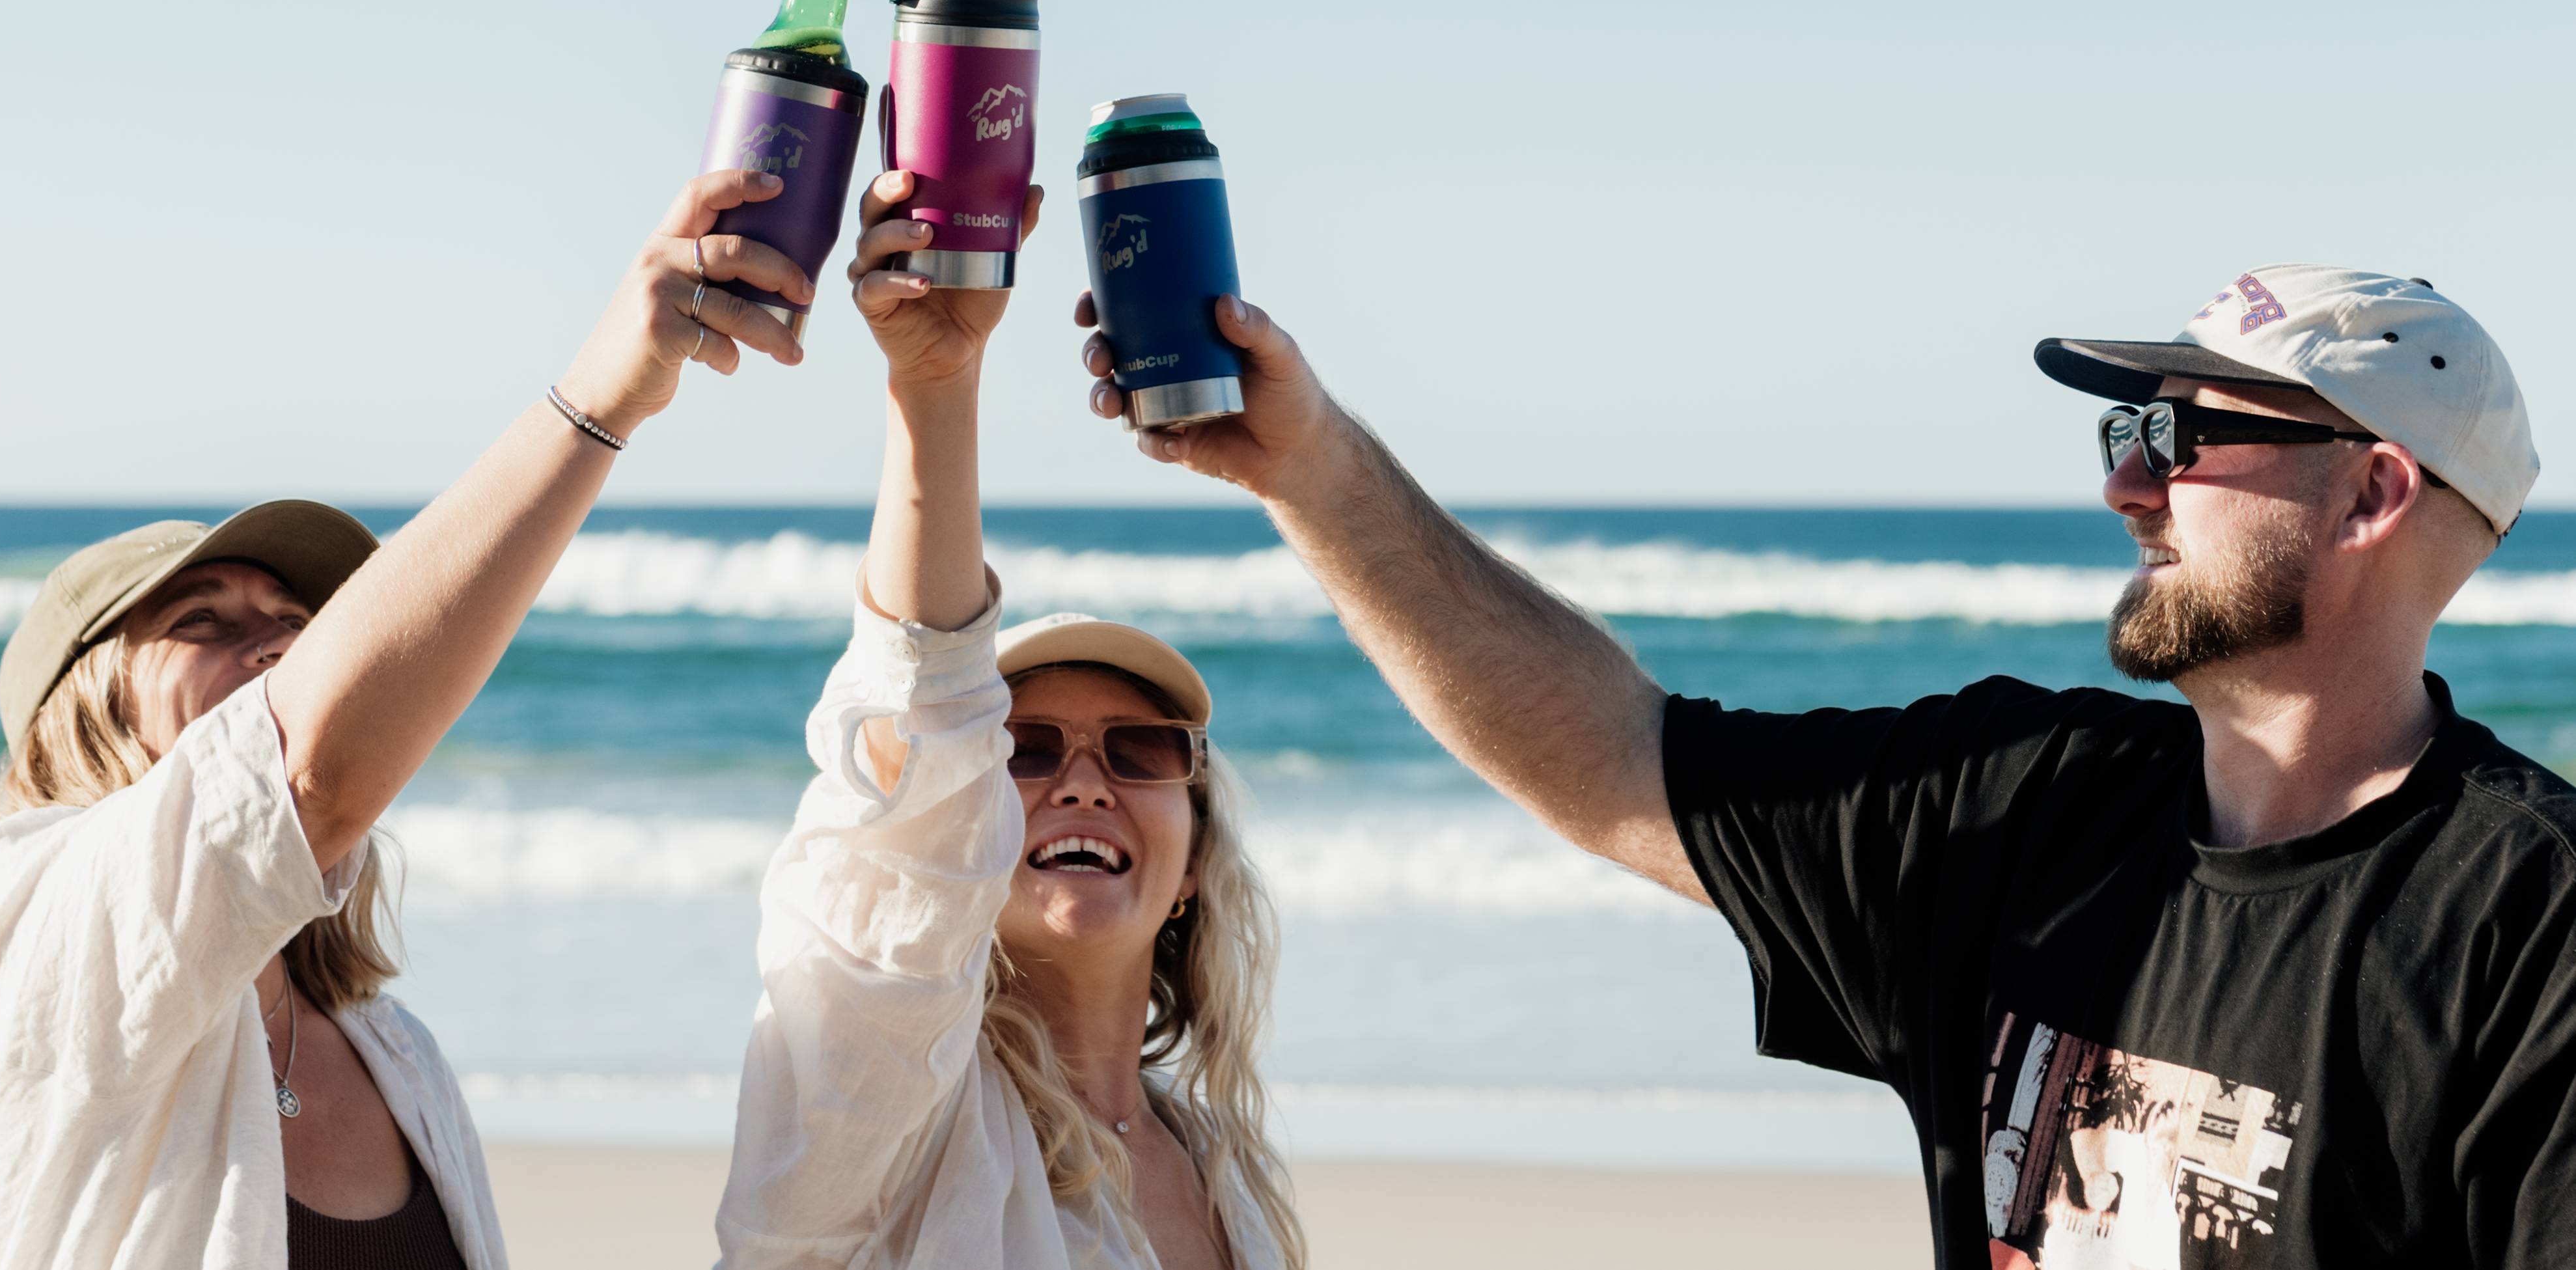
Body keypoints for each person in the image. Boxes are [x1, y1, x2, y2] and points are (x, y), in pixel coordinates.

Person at [1080, 264, 2576, 1268]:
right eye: (2125, 430)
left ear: (2375, 491)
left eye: (2178, 434)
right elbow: (1611, 757)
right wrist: (1306, 466)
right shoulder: (2023, 803)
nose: (2122, 481)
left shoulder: (2529, 922)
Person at [0, 169, 814, 1269]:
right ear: (84, 708)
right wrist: (598, 402)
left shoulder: (395, 1058)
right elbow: (301, 777)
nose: (278, 642)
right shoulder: (23, 915)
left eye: (298, 620)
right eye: (205, 619)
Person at [717, 171, 1303, 1269]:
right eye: (1023, 751)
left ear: (1193, 862)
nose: (1083, 783)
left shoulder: (1224, 1167)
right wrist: (937, 384)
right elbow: (921, 721)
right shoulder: (887, 1107)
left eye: (1138, 752)